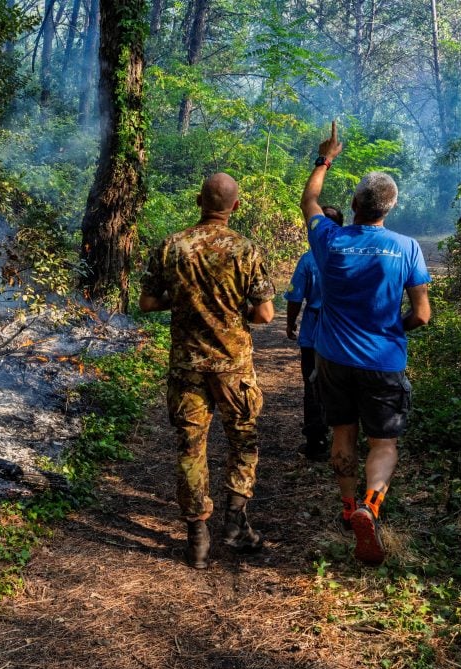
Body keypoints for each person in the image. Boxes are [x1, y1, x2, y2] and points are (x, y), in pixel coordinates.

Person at [300, 122, 432, 565]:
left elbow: (310, 201)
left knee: (342, 433)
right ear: (389, 209)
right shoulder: (407, 247)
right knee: (383, 442)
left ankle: (345, 505)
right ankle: (369, 507)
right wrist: (395, 329)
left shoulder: (330, 240)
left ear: (355, 204)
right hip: (384, 358)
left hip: (333, 357)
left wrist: (326, 158)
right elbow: (422, 314)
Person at [140, 173, 276, 569]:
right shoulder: (247, 250)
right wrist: (234, 310)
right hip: (233, 366)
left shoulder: (170, 247)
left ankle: (198, 536)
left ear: (198, 200)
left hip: (187, 366)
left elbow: (148, 302)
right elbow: (265, 313)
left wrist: (185, 301)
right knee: (243, 439)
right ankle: (235, 521)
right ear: (235, 206)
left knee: (190, 447)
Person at [284, 205, 343, 461]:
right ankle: (343, 437)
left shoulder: (308, 259)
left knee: (312, 383)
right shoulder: (351, 256)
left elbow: (296, 296)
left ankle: (316, 441)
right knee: (340, 383)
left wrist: (290, 322)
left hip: (313, 332)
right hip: (342, 333)